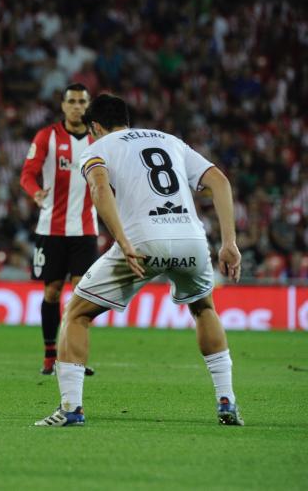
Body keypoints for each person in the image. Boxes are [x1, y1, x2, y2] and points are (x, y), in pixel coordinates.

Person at [35, 94, 244, 427]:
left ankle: (71, 409)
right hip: (192, 238)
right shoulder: (169, 140)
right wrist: (229, 242)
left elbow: (99, 190)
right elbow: (219, 180)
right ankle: (227, 402)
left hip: (145, 240)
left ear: (96, 126)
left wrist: (122, 241)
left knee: (76, 313)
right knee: (204, 308)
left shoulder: (97, 148)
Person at [20, 83, 98, 375]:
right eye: (72, 101)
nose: (77, 106)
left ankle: (73, 357)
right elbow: (27, 173)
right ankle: (50, 356)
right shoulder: (47, 136)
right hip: (51, 228)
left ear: (88, 106)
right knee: (52, 292)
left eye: (82, 101)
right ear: (63, 106)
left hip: (85, 230)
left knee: (80, 294)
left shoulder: (98, 140)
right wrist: (36, 193)